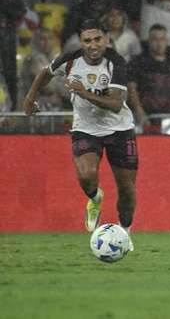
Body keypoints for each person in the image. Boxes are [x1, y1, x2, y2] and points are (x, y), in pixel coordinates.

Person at [22, 19, 137, 248]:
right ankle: (95, 198)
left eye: (98, 39)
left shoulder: (117, 62)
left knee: (126, 190)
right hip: (86, 128)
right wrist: (30, 97)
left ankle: (124, 233)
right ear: (81, 42)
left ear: (106, 39)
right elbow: (46, 73)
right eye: (87, 40)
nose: (93, 45)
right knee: (86, 176)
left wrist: (84, 93)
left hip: (120, 129)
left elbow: (115, 104)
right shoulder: (70, 60)